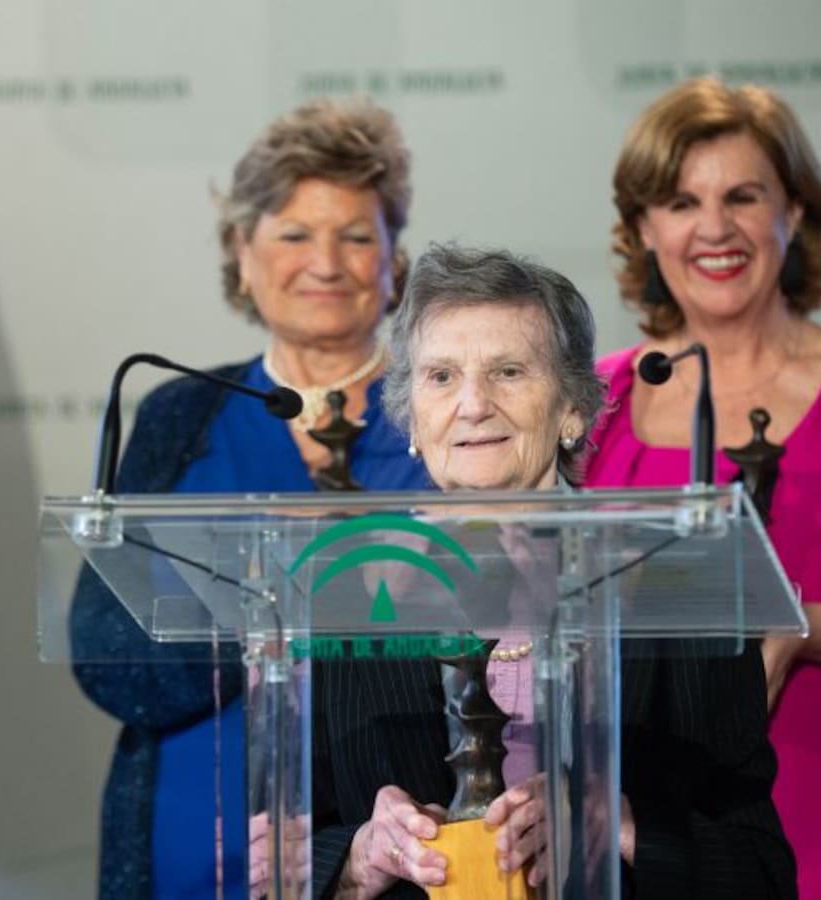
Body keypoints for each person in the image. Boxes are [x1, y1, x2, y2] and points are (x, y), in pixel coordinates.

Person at [311, 244, 795, 898]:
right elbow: (286, 849)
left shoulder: (673, 584)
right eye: (441, 376)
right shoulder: (349, 593)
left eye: (508, 371)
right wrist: (359, 857)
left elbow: (761, 871)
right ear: (413, 420)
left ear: (572, 407)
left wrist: (618, 824)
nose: (473, 404)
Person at [70, 98, 433, 899]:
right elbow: (106, 652)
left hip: (399, 853)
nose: (325, 263)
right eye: (295, 234)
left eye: (356, 236)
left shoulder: (447, 418)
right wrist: (274, 605)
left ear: (394, 259)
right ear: (242, 251)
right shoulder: (179, 415)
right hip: (188, 846)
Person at [584, 76, 821, 897]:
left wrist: (797, 626)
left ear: (795, 209)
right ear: (644, 228)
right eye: (682, 202)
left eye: (743, 196)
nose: (714, 228)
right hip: (629, 833)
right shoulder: (591, 402)